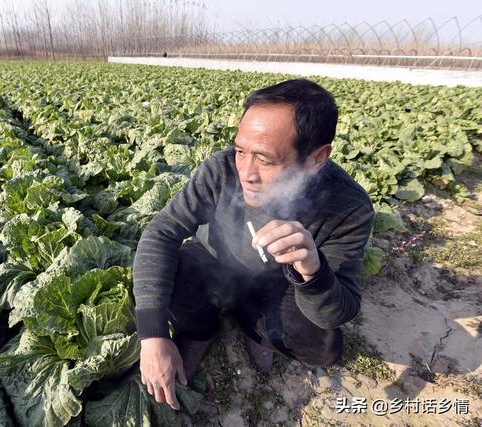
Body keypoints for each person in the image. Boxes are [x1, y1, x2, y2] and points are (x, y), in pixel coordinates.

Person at [133, 78, 375, 411]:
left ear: (316, 159)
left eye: (265, 160)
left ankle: (255, 328)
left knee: (322, 348)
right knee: (175, 274)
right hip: (215, 264)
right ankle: (201, 331)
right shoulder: (220, 169)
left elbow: (341, 309)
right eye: (241, 150)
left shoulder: (348, 208)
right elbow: (162, 232)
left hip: (281, 282)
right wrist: (153, 334)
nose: (246, 172)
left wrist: (313, 271)